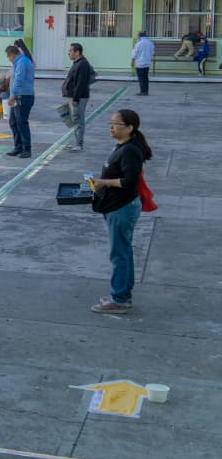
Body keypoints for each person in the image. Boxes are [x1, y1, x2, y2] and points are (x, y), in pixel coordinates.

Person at [89, 109, 152, 314]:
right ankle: (123, 294)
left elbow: (129, 181)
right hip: (117, 206)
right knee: (123, 252)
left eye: (116, 124)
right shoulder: (124, 145)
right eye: (110, 123)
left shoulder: (130, 150)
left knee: (119, 254)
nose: (111, 126)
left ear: (130, 128)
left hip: (121, 208)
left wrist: (103, 182)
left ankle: (119, 299)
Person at [5, 44, 35, 158]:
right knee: (13, 122)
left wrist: (12, 95)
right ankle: (18, 147)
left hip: (23, 96)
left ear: (11, 55)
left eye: (9, 57)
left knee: (22, 122)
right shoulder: (20, 62)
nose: (9, 60)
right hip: (18, 96)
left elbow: (19, 79)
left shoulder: (22, 62)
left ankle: (26, 149)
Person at [62, 43, 93, 152]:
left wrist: (76, 98)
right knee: (71, 119)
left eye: (70, 51)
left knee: (78, 120)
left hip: (78, 97)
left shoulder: (83, 64)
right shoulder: (76, 63)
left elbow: (81, 83)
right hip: (72, 96)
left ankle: (79, 144)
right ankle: (76, 141)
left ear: (77, 52)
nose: (68, 53)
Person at [131, 31, 154, 96]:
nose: (137, 36)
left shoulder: (139, 43)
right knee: (146, 77)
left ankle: (142, 91)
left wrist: (132, 61)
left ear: (139, 36)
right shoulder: (150, 42)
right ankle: (146, 91)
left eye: (137, 35)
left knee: (141, 78)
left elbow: (134, 53)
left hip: (140, 63)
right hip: (147, 63)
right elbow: (152, 52)